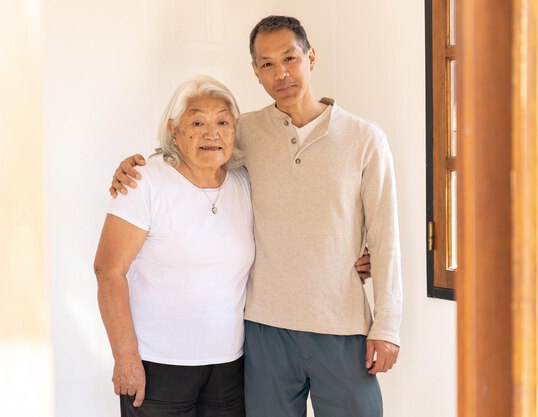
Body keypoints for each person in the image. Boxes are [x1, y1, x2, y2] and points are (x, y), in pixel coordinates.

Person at [109, 15, 402, 417]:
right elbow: (193, 146)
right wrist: (133, 167)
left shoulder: (365, 139)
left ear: (310, 57)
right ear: (256, 73)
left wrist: (387, 327)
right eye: (267, 64)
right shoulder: (243, 131)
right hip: (263, 331)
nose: (280, 72)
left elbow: (386, 238)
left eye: (290, 58)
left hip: (341, 325)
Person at [94, 75, 254, 417]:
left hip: (229, 366)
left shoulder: (245, 182)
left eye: (223, 122)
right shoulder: (144, 181)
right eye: (197, 122)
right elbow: (108, 270)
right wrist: (125, 357)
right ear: (174, 130)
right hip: (157, 366)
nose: (212, 133)